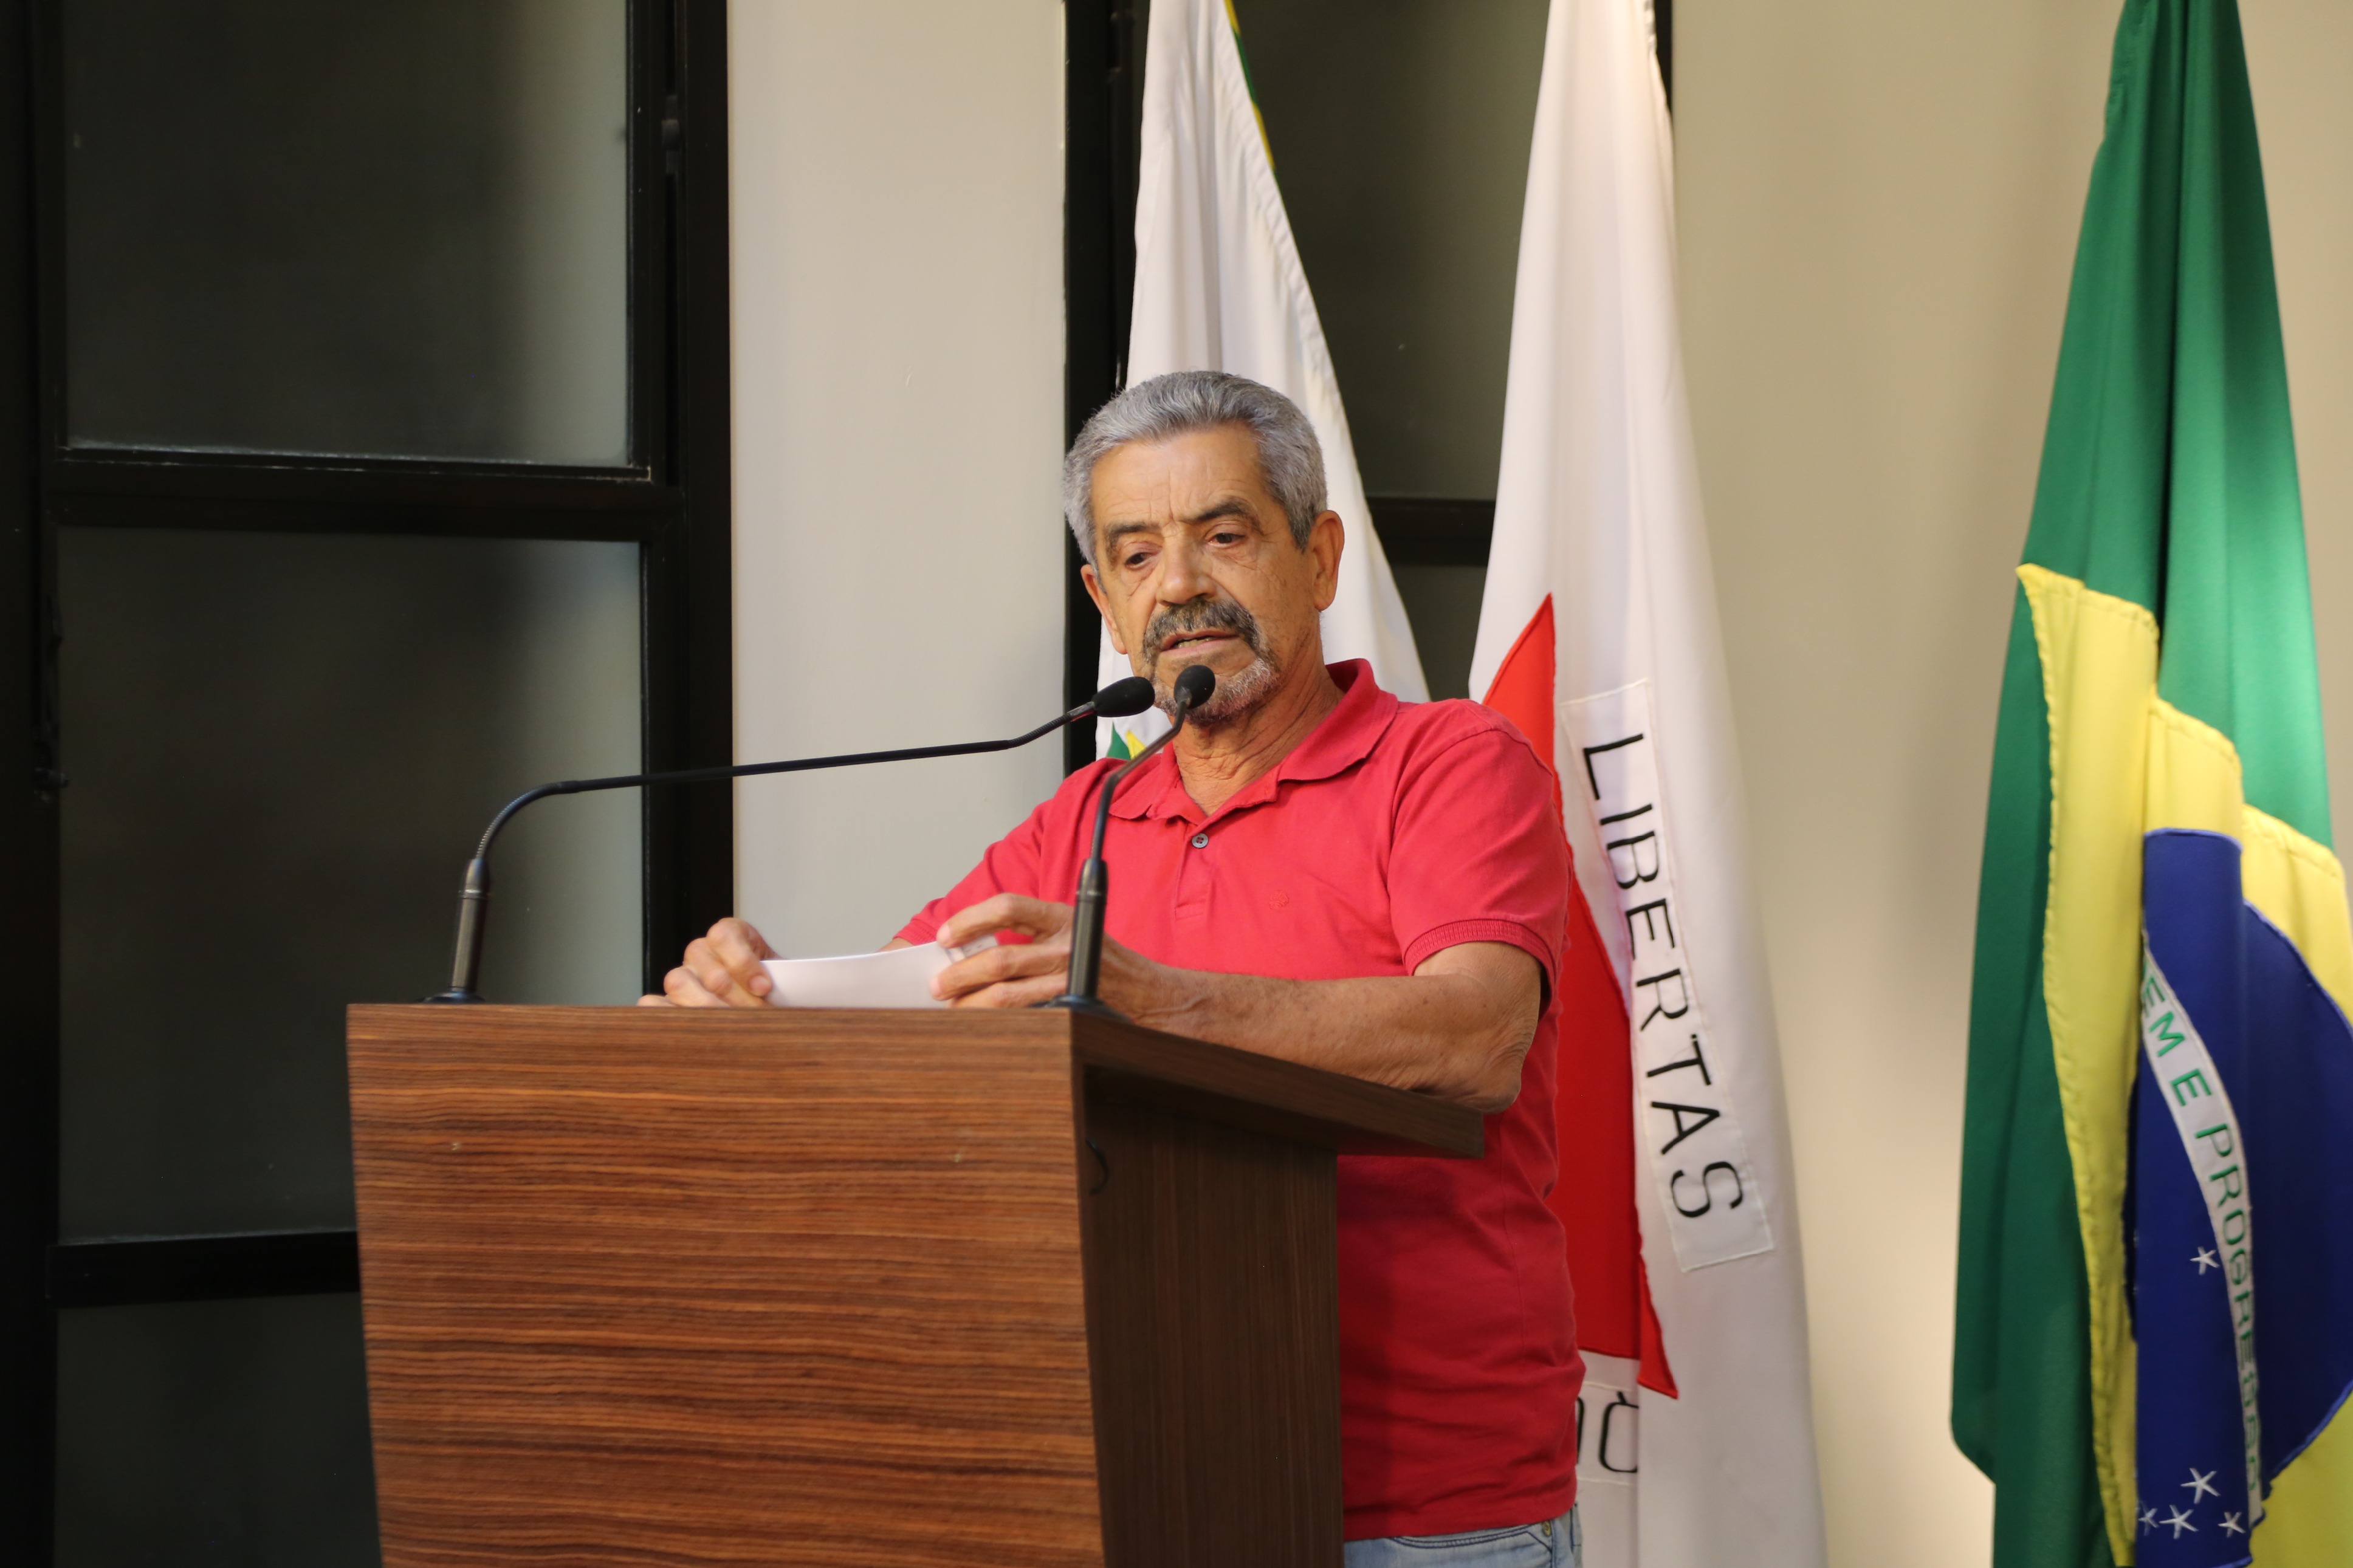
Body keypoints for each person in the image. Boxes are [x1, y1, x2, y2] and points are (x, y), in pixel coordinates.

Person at [646, 370, 1583, 1565]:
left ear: (1319, 558)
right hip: (1144, 1467)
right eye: (1136, 554)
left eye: (1223, 536)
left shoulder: (1447, 762)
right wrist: (756, 1000)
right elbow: (895, 1014)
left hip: (1424, 1496)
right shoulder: (1088, 814)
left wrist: (1156, 1002)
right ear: (1104, 596)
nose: (1178, 584)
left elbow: (1477, 1036)